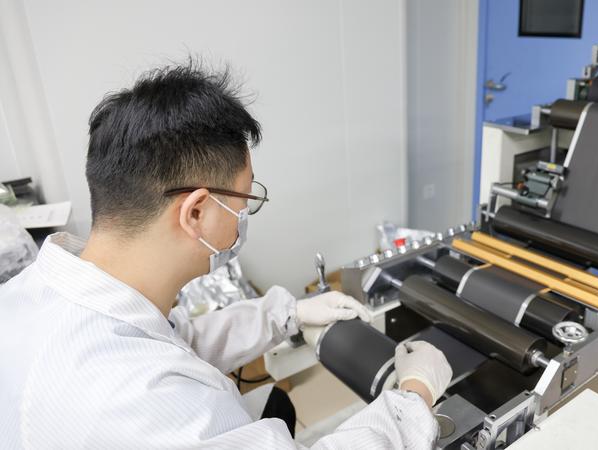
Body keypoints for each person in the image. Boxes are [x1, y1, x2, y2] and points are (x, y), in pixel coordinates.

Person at [0, 62, 453, 448]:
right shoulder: (148, 404)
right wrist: (414, 397)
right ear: (196, 212)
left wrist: (287, 314)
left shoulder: (36, 297)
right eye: (243, 202)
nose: (243, 217)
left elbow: (177, 341)